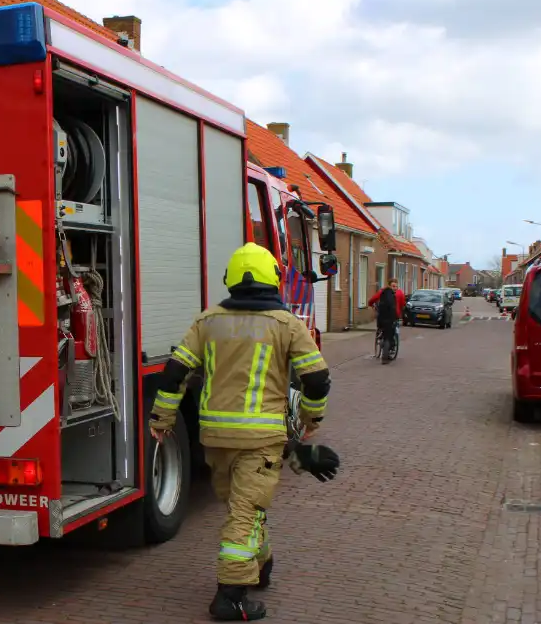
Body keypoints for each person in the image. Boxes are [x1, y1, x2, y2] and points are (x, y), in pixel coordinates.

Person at [148, 243, 341, 621]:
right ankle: (230, 598)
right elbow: (317, 379)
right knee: (246, 512)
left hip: (215, 439)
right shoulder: (287, 325)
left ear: (230, 279)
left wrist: (162, 421)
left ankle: (261, 566)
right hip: (260, 440)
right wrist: (310, 418)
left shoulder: (207, 322)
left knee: (244, 509)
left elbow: (174, 374)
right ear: (273, 278)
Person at [368, 278, 404, 363]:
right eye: (393, 286)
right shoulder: (400, 293)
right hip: (393, 317)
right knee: (393, 331)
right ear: (390, 285)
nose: (395, 288)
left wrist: (371, 305)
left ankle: (381, 337)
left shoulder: (382, 291)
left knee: (383, 327)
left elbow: (372, 300)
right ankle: (392, 346)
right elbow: (403, 304)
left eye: (396, 286)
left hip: (383, 316)